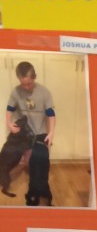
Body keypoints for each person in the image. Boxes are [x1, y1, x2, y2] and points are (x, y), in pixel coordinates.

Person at [6, 61, 55, 206]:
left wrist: (51, 133)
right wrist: (9, 123)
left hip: (41, 132)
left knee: (43, 161)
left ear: (34, 77)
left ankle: (43, 190)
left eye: (28, 83)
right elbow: (9, 109)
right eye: (23, 84)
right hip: (25, 133)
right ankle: (34, 193)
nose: (26, 87)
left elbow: (51, 115)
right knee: (31, 163)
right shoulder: (16, 92)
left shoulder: (44, 92)